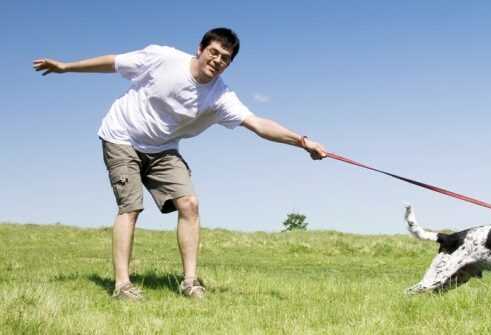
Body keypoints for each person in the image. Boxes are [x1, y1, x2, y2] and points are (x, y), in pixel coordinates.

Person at [33, 27, 327, 300]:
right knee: (131, 207)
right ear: (200, 48)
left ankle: (190, 282)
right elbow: (114, 63)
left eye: (225, 58)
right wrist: (66, 67)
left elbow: (259, 124)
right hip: (121, 136)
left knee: (190, 204)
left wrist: (303, 142)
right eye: (214, 52)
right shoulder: (163, 58)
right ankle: (122, 284)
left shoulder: (221, 96)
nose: (217, 60)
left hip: (162, 148)